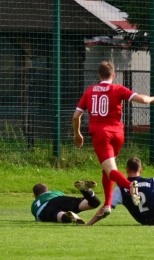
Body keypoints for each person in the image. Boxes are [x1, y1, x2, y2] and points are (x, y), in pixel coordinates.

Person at [72, 61, 154, 224]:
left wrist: (77, 134)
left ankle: (130, 186)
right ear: (113, 75)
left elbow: (76, 116)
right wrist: (152, 98)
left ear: (99, 75)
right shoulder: (118, 89)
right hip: (118, 133)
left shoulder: (90, 91)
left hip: (101, 135)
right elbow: (143, 100)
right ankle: (108, 204)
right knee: (107, 169)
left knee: (111, 171)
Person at [31, 180, 101, 224]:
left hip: (43, 209)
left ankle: (67, 216)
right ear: (47, 190)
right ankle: (86, 191)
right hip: (58, 199)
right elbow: (65, 201)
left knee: (57, 214)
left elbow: (39, 218)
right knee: (94, 203)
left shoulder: (34, 204)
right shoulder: (55, 192)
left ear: (35, 195)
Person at [111, 157, 154, 225]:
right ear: (140, 170)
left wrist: (90, 223)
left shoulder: (120, 188)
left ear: (127, 170)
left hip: (144, 220)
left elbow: (107, 207)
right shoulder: (151, 181)